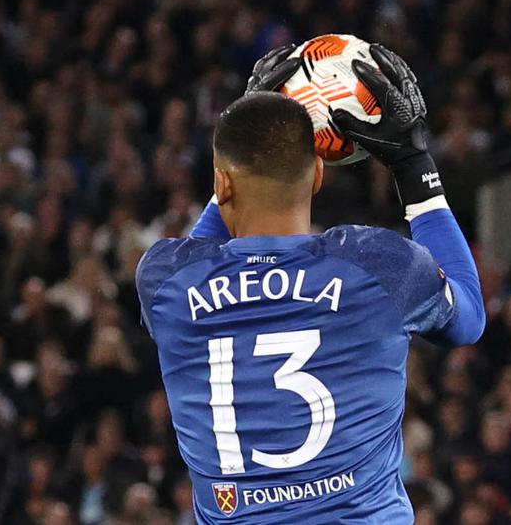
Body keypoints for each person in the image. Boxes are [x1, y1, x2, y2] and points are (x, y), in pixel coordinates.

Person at [135, 44, 485, 522]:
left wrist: (252, 121)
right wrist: (413, 163)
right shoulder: (377, 264)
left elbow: (205, 245)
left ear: (222, 182)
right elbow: (468, 319)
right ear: (318, 174)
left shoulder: (165, 281)